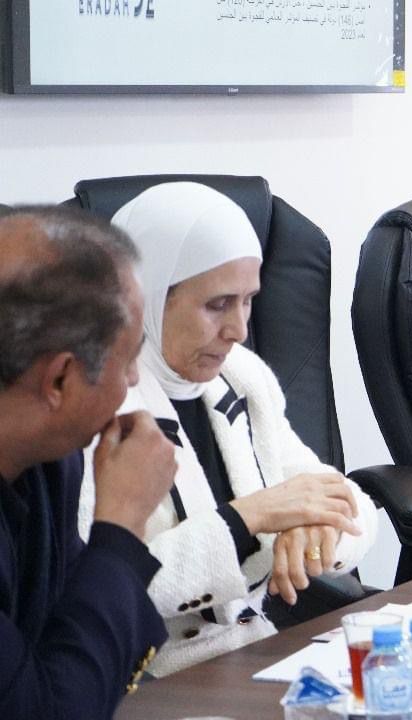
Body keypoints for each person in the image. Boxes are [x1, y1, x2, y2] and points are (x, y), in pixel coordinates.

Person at [77, 182, 378, 677]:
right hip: (147, 679)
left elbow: (348, 502)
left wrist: (315, 530)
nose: (239, 330)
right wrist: (250, 517)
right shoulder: (89, 407)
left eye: (248, 301)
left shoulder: (239, 376)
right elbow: (102, 586)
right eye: (218, 304)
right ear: (143, 299)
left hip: (256, 653)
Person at [0, 207, 175, 717]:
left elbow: (70, 646)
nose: (134, 382)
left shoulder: (50, 460)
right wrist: (121, 527)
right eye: (130, 360)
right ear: (60, 379)